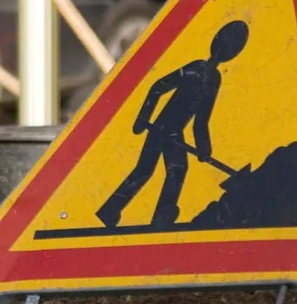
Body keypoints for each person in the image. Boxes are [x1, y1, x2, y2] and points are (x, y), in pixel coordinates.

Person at [96, 20, 249, 230]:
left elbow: (200, 120)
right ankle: (148, 215)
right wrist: (142, 117)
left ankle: (135, 213)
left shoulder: (212, 78)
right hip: (163, 127)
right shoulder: (197, 69)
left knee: (163, 170)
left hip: (173, 131)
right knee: (158, 170)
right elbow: (158, 86)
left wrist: (204, 149)